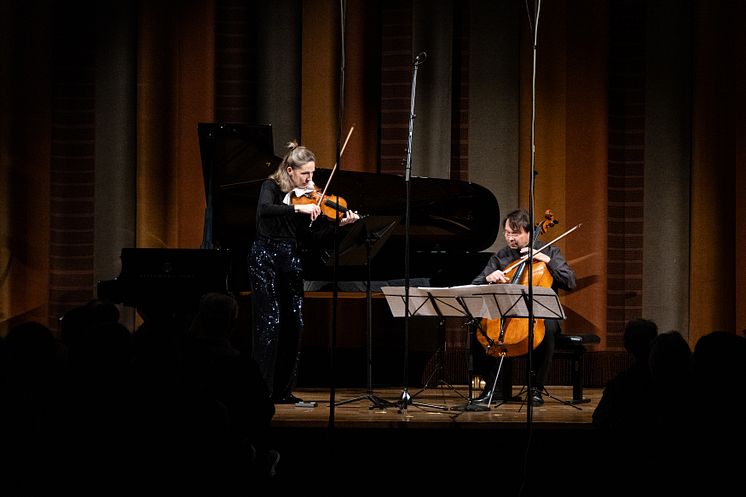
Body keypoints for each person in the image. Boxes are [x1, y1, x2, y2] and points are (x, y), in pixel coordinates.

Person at [248, 140, 360, 404]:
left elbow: (314, 238)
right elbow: (264, 211)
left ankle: (283, 392)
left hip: (291, 259)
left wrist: (340, 225)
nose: (310, 179)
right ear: (290, 171)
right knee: (270, 323)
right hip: (264, 257)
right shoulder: (271, 187)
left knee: (295, 324)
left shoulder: (311, 197)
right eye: (305, 174)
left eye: (312, 173)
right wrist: (299, 207)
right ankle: (260, 392)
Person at [469, 208, 576, 406]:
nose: (510, 238)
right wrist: (489, 278)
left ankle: (535, 389)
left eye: (515, 233)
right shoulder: (501, 257)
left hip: (539, 315)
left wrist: (546, 260)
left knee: (549, 328)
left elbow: (569, 281)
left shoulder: (550, 251)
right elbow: (476, 284)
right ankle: (494, 387)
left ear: (529, 232)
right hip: (507, 313)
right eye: (508, 233)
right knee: (480, 329)